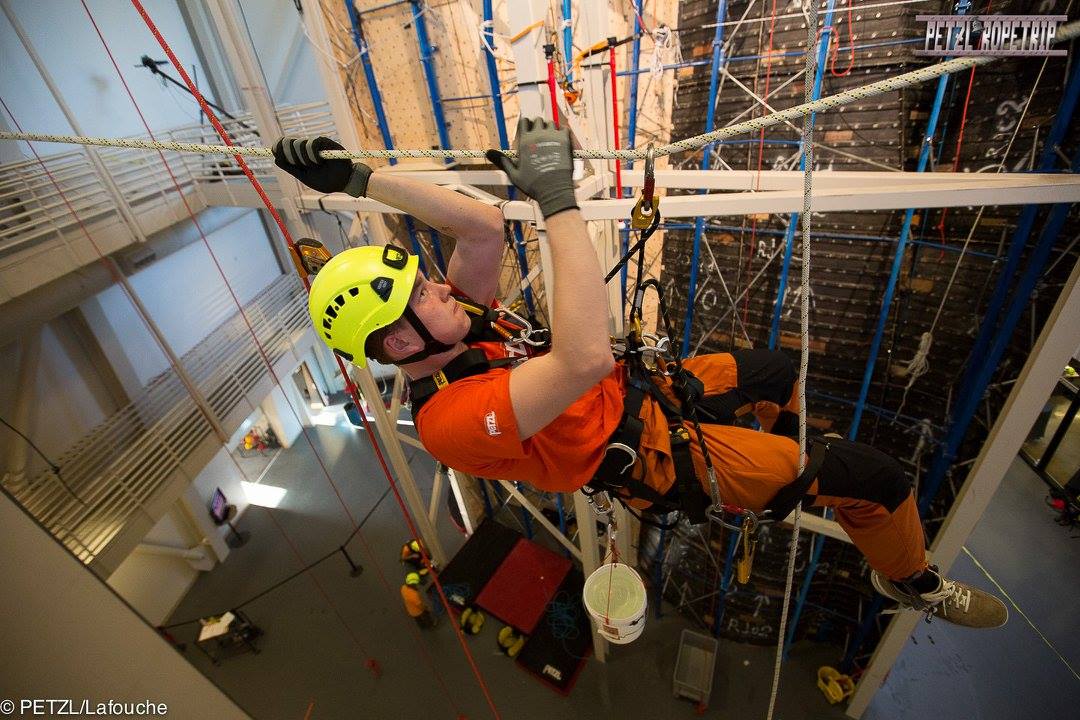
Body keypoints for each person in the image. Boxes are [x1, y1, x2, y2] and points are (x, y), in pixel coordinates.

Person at [272, 122, 1007, 628]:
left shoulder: (457, 324)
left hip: (645, 394)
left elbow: (481, 228)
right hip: (654, 455)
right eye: (423, 296)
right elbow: (583, 359)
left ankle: (784, 467)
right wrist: (555, 199)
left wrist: (360, 178)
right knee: (875, 480)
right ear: (399, 342)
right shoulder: (448, 422)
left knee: (776, 369)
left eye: (431, 283)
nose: (441, 288)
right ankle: (911, 580)